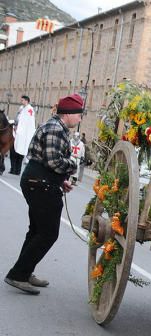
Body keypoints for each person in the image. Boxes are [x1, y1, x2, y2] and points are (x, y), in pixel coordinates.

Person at [4, 94, 85, 295]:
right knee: (48, 233)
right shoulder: (56, 129)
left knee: (36, 231)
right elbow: (53, 161)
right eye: (79, 114)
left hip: (41, 181)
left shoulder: (57, 127)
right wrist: (74, 165)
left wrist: (61, 181)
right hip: (40, 183)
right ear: (68, 114)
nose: (80, 119)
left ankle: (24, 270)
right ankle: (17, 274)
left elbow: (49, 162)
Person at [10, 95, 35, 176]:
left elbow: (28, 122)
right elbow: (18, 118)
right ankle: (13, 169)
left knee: (20, 151)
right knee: (14, 150)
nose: (21, 102)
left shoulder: (29, 109)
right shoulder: (22, 108)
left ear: (26, 101)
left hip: (24, 133)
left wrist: (21, 128)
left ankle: (18, 170)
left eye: (22, 100)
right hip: (18, 131)